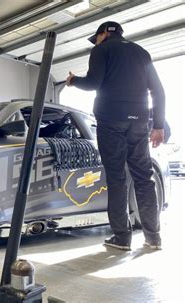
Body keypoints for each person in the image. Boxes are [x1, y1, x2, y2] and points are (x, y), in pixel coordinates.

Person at [66, 21, 165, 251]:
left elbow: (92, 83)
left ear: (103, 34)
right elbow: (158, 91)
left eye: (97, 37)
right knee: (144, 177)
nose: (96, 41)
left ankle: (122, 238)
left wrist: (73, 81)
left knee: (117, 178)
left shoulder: (101, 50)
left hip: (111, 121)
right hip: (139, 121)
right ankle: (153, 237)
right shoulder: (142, 52)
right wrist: (158, 125)